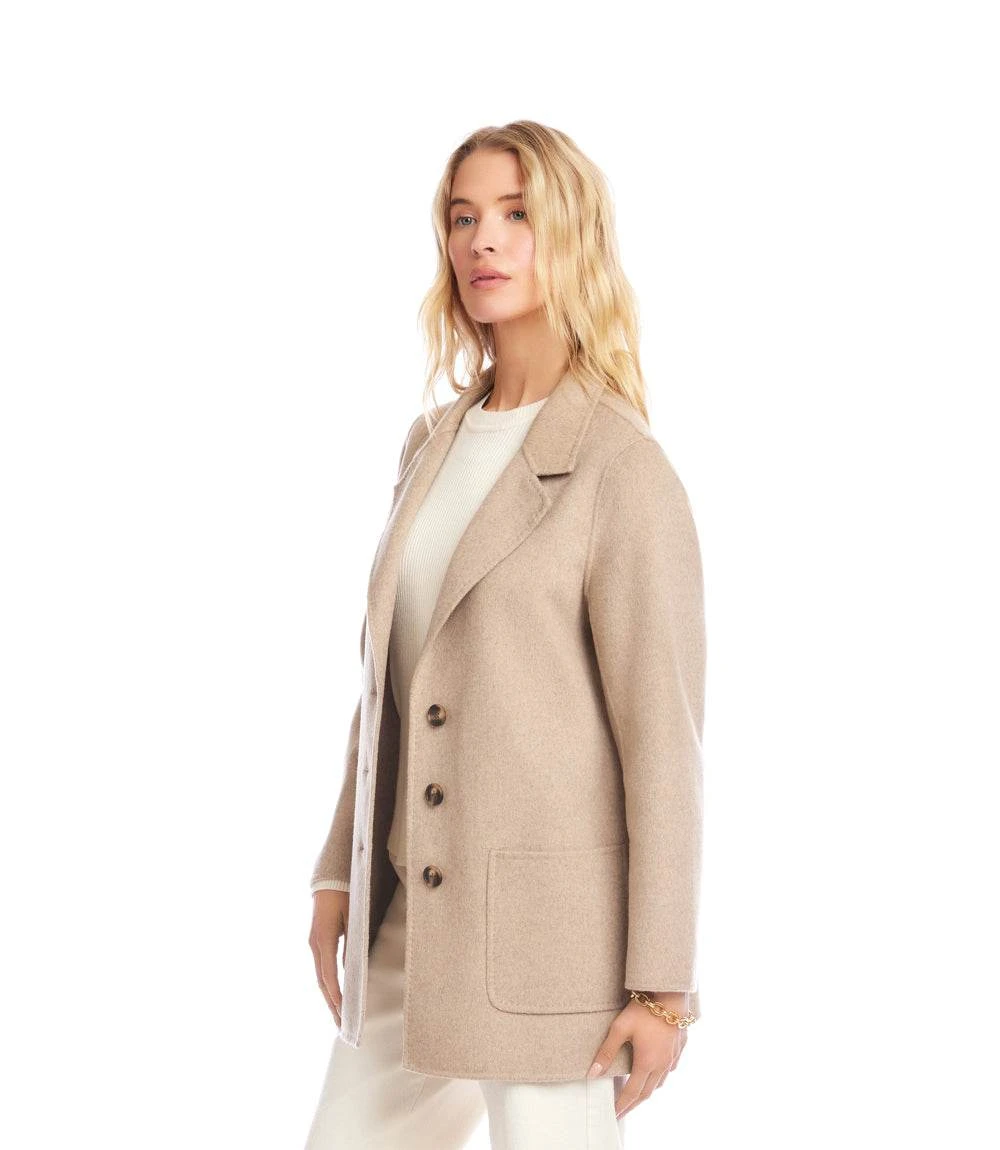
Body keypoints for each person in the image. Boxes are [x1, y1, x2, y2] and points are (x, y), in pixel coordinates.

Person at [303, 120, 706, 1150]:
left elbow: (663, 743)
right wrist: (340, 868)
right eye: (463, 217)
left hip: (549, 948)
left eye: (517, 215)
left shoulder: (620, 468)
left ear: (571, 234)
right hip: (413, 923)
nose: (483, 240)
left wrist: (661, 988)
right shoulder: (429, 444)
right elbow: (391, 682)